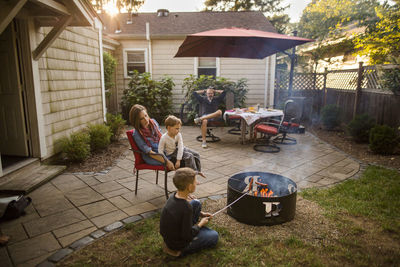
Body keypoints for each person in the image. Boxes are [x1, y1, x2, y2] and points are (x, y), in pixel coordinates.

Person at [160, 168, 218, 257]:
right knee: (214, 236)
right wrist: (200, 224)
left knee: (196, 203)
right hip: (178, 244)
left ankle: (194, 230)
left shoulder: (173, 196)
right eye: (195, 181)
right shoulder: (186, 208)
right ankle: (178, 251)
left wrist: (201, 214)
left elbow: (180, 213)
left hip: (171, 237)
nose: (197, 183)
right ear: (189, 187)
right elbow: (187, 236)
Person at [129, 104, 174, 171]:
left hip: (163, 151)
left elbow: (162, 138)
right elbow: (150, 153)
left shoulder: (153, 122)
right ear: (136, 121)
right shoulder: (137, 134)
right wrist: (167, 162)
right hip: (153, 157)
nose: (146, 120)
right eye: (141, 119)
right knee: (182, 161)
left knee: (190, 154)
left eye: (146, 116)